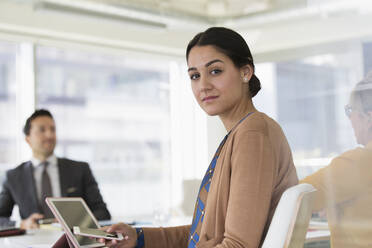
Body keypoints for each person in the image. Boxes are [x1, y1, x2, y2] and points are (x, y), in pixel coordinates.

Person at [100, 27, 298, 248]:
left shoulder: (253, 134)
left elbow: (238, 245)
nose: (203, 85)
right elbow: (205, 234)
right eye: (195, 75)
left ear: (245, 72)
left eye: (215, 71)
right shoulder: (242, 133)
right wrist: (139, 237)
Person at [0, 109, 111, 229]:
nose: (50, 135)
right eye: (42, 130)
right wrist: (21, 224)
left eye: (53, 129)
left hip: (72, 241)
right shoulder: (13, 176)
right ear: (28, 139)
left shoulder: (80, 169)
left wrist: (74, 222)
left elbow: (103, 213)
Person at [300, 71, 372, 248]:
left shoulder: (356, 163)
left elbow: (292, 199)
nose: (350, 118)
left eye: (350, 110)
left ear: (368, 117)